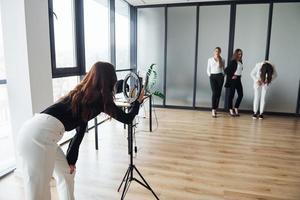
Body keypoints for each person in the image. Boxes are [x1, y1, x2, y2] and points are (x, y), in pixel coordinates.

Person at [16, 62, 145, 200]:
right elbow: (127, 118)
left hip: (40, 132)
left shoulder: (83, 95)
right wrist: (137, 101)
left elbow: (80, 128)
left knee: (67, 173)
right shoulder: (96, 100)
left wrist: (71, 159)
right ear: (109, 80)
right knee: (38, 192)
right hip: (37, 138)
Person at [224, 49, 244, 117]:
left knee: (241, 95)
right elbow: (226, 70)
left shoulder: (240, 62)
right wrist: (232, 76)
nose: (240, 55)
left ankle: (236, 108)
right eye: (238, 54)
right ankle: (230, 110)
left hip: (238, 79)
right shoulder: (233, 62)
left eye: (241, 54)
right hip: (233, 80)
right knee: (231, 95)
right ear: (236, 54)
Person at [207, 47, 225, 118]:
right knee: (214, 93)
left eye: (218, 51)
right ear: (214, 52)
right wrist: (210, 76)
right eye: (216, 51)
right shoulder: (210, 60)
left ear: (220, 52)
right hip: (213, 77)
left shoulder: (222, 60)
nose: (217, 52)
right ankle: (213, 109)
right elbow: (208, 69)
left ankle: (216, 107)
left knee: (218, 94)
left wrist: (223, 76)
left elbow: (224, 69)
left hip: (220, 77)